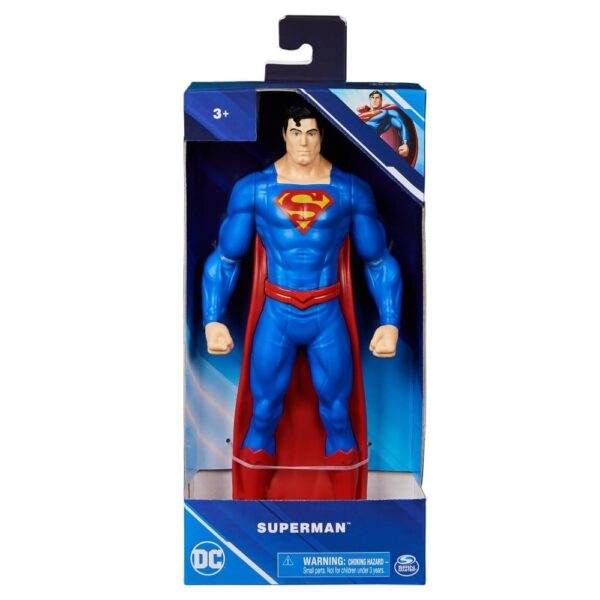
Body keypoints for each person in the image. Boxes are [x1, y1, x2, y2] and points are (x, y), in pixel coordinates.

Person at [202, 103, 402, 500]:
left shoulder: (349, 190)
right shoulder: (256, 190)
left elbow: (378, 261)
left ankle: (347, 514)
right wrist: (212, 317)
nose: (304, 142)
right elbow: (225, 258)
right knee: (262, 413)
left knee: (338, 416)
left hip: (327, 315)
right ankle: (251, 510)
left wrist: (390, 321)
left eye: (311, 133)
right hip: (277, 314)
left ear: (322, 135)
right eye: (296, 133)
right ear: (284, 135)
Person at [358, 90, 411, 158]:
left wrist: (405, 143)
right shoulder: (362, 114)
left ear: (381, 100)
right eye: (372, 98)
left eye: (377, 98)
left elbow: (402, 126)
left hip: (368, 144)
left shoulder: (387, 113)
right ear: (370, 100)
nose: (374, 100)